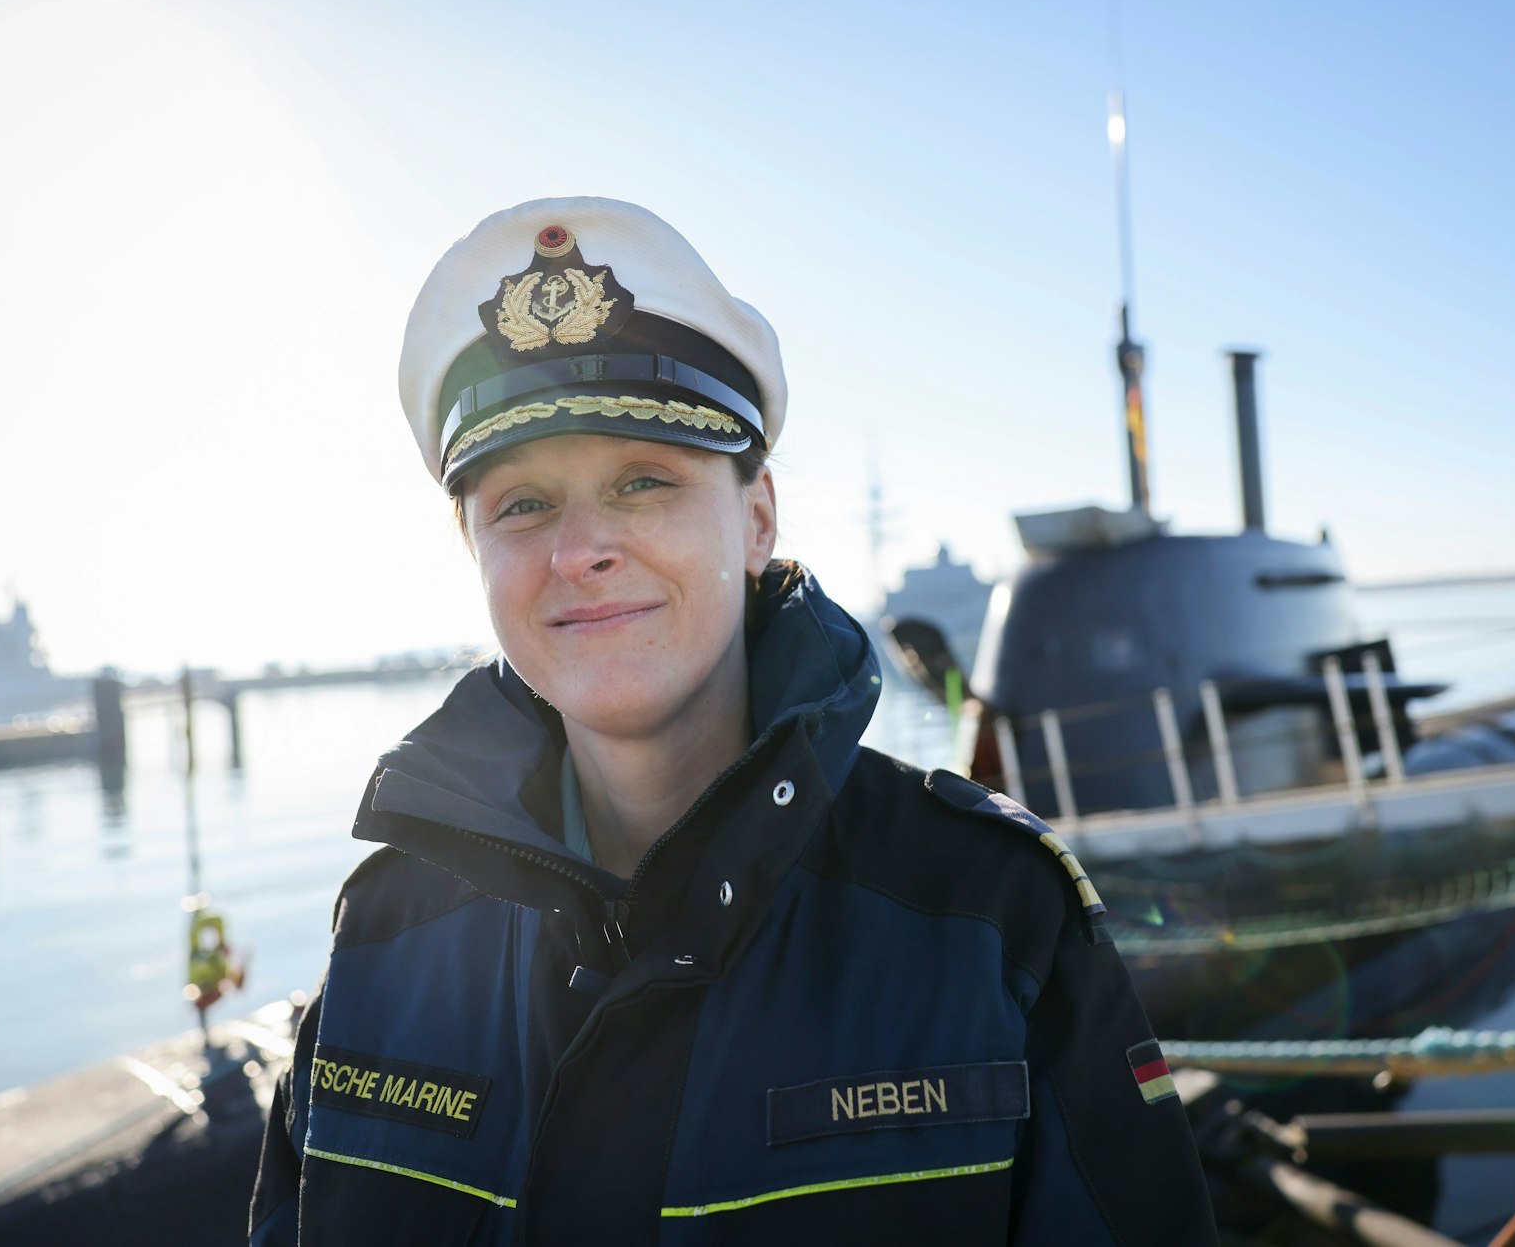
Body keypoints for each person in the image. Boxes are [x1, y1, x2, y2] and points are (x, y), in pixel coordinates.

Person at [249, 197, 1217, 1245]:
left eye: (643, 481)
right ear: (475, 550)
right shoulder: (390, 930)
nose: (580, 549)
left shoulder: (985, 919)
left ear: (755, 521)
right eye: (522, 504)